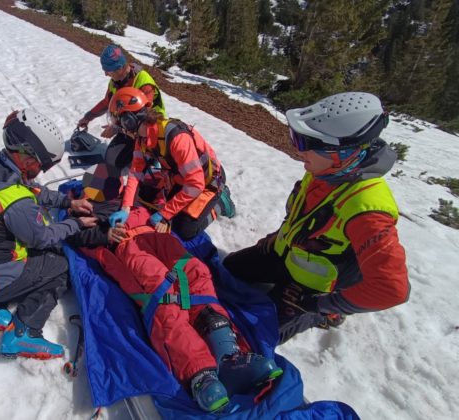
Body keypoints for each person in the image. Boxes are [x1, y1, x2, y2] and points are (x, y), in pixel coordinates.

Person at [223, 92, 410, 344]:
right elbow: (305, 220)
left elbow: (392, 289)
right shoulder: (327, 171)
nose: (301, 152)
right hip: (286, 256)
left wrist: (319, 303)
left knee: (252, 338)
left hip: (316, 289)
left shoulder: (367, 209)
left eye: (307, 144)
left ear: (341, 153)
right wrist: (276, 239)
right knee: (228, 270)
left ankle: (328, 316)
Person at [66, 202, 282, 413]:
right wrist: (104, 235)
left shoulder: (128, 192)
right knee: (162, 293)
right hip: (124, 245)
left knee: (197, 273)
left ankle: (228, 357)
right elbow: (76, 236)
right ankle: (200, 373)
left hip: (156, 235)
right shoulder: (82, 212)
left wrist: (163, 214)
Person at [0, 109, 97, 359]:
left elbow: (30, 190)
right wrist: (76, 224)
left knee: (22, 248)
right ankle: (24, 333)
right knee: (58, 265)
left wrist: (67, 204)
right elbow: (42, 237)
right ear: (28, 158)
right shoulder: (15, 201)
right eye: (43, 165)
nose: (43, 172)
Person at [107, 87, 235, 241]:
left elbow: (195, 184)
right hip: (182, 177)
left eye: (121, 124)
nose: (121, 129)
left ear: (129, 121)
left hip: (208, 181)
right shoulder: (142, 139)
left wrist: (165, 213)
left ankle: (221, 202)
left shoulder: (176, 137)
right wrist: (126, 207)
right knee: (149, 196)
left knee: (186, 229)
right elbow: (135, 172)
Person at [77, 44, 166, 171]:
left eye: (108, 70)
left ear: (119, 68)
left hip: (150, 131)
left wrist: (116, 128)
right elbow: (107, 102)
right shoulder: (116, 81)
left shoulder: (143, 82)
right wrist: (87, 117)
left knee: (129, 163)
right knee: (111, 159)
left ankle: (152, 157)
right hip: (128, 127)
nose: (105, 74)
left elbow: (145, 118)